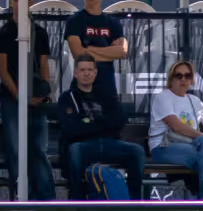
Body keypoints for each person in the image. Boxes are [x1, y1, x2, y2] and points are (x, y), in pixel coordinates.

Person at [0, 0, 56, 200]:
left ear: (31, 2)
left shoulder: (40, 32)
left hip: (37, 99)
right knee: (15, 150)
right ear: (11, 2)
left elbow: (45, 66)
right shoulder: (3, 33)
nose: (18, 3)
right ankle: (21, 197)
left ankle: (46, 198)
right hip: (11, 99)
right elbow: (2, 69)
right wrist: (20, 95)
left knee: (38, 148)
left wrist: (45, 93)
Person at [59, 55, 145, 201]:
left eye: (90, 70)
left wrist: (89, 122)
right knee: (74, 151)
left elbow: (120, 120)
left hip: (110, 144)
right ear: (75, 73)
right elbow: (71, 129)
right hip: (84, 146)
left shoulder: (106, 95)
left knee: (137, 152)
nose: (86, 73)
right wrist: (104, 123)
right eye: (82, 70)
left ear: (95, 72)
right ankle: (79, 203)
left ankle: (132, 204)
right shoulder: (67, 98)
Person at [149, 60, 203, 200]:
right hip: (163, 147)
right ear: (171, 79)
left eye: (187, 75)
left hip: (190, 146)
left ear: (191, 80)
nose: (183, 79)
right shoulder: (163, 97)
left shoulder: (194, 100)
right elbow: (175, 126)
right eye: (178, 75)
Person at [63, 0, 128, 99]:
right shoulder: (75, 20)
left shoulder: (113, 22)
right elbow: (78, 54)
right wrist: (108, 54)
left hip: (107, 86)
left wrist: (89, 50)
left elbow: (122, 51)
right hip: (83, 88)